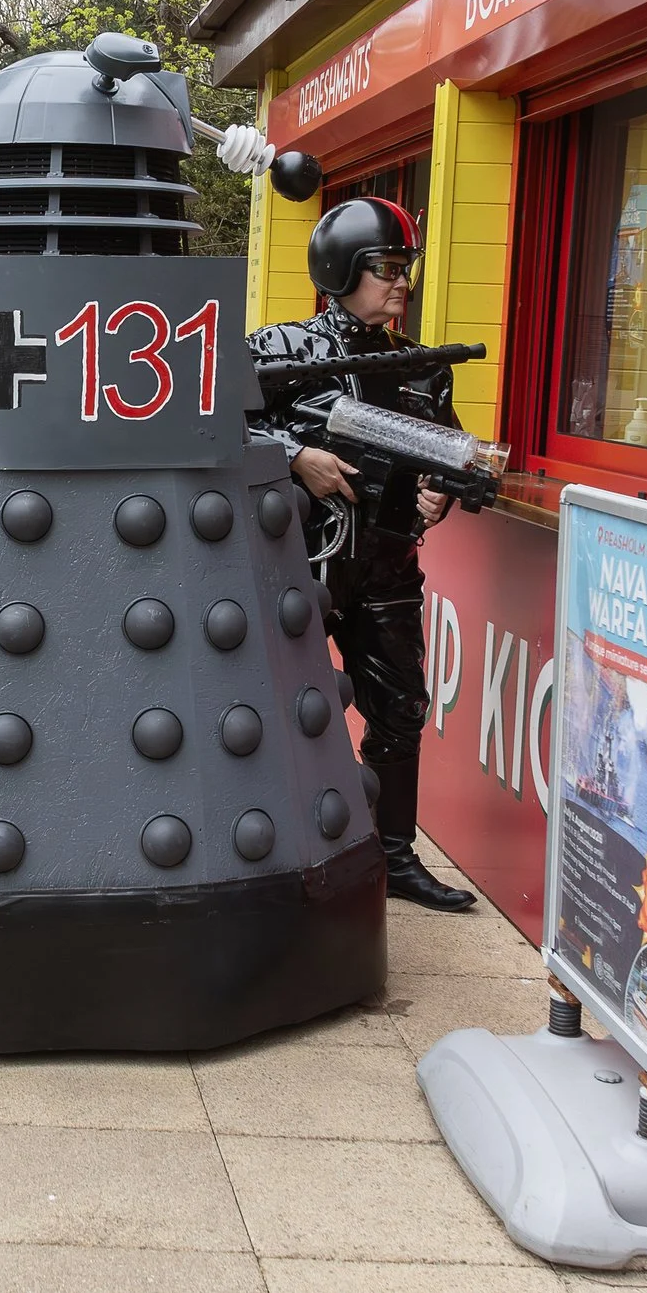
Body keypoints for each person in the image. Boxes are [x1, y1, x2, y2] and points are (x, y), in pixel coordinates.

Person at [249, 197, 477, 913]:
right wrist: (297, 457)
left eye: (405, 267)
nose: (400, 281)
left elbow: (457, 453)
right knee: (273, 709)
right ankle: (269, 849)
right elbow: (220, 426)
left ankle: (393, 854)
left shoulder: (424, 369)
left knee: (401, 706)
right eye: (384, 267)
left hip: (387, 564)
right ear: (341, 269)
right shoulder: (281, 349)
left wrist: (448, 488)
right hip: (299, 562)